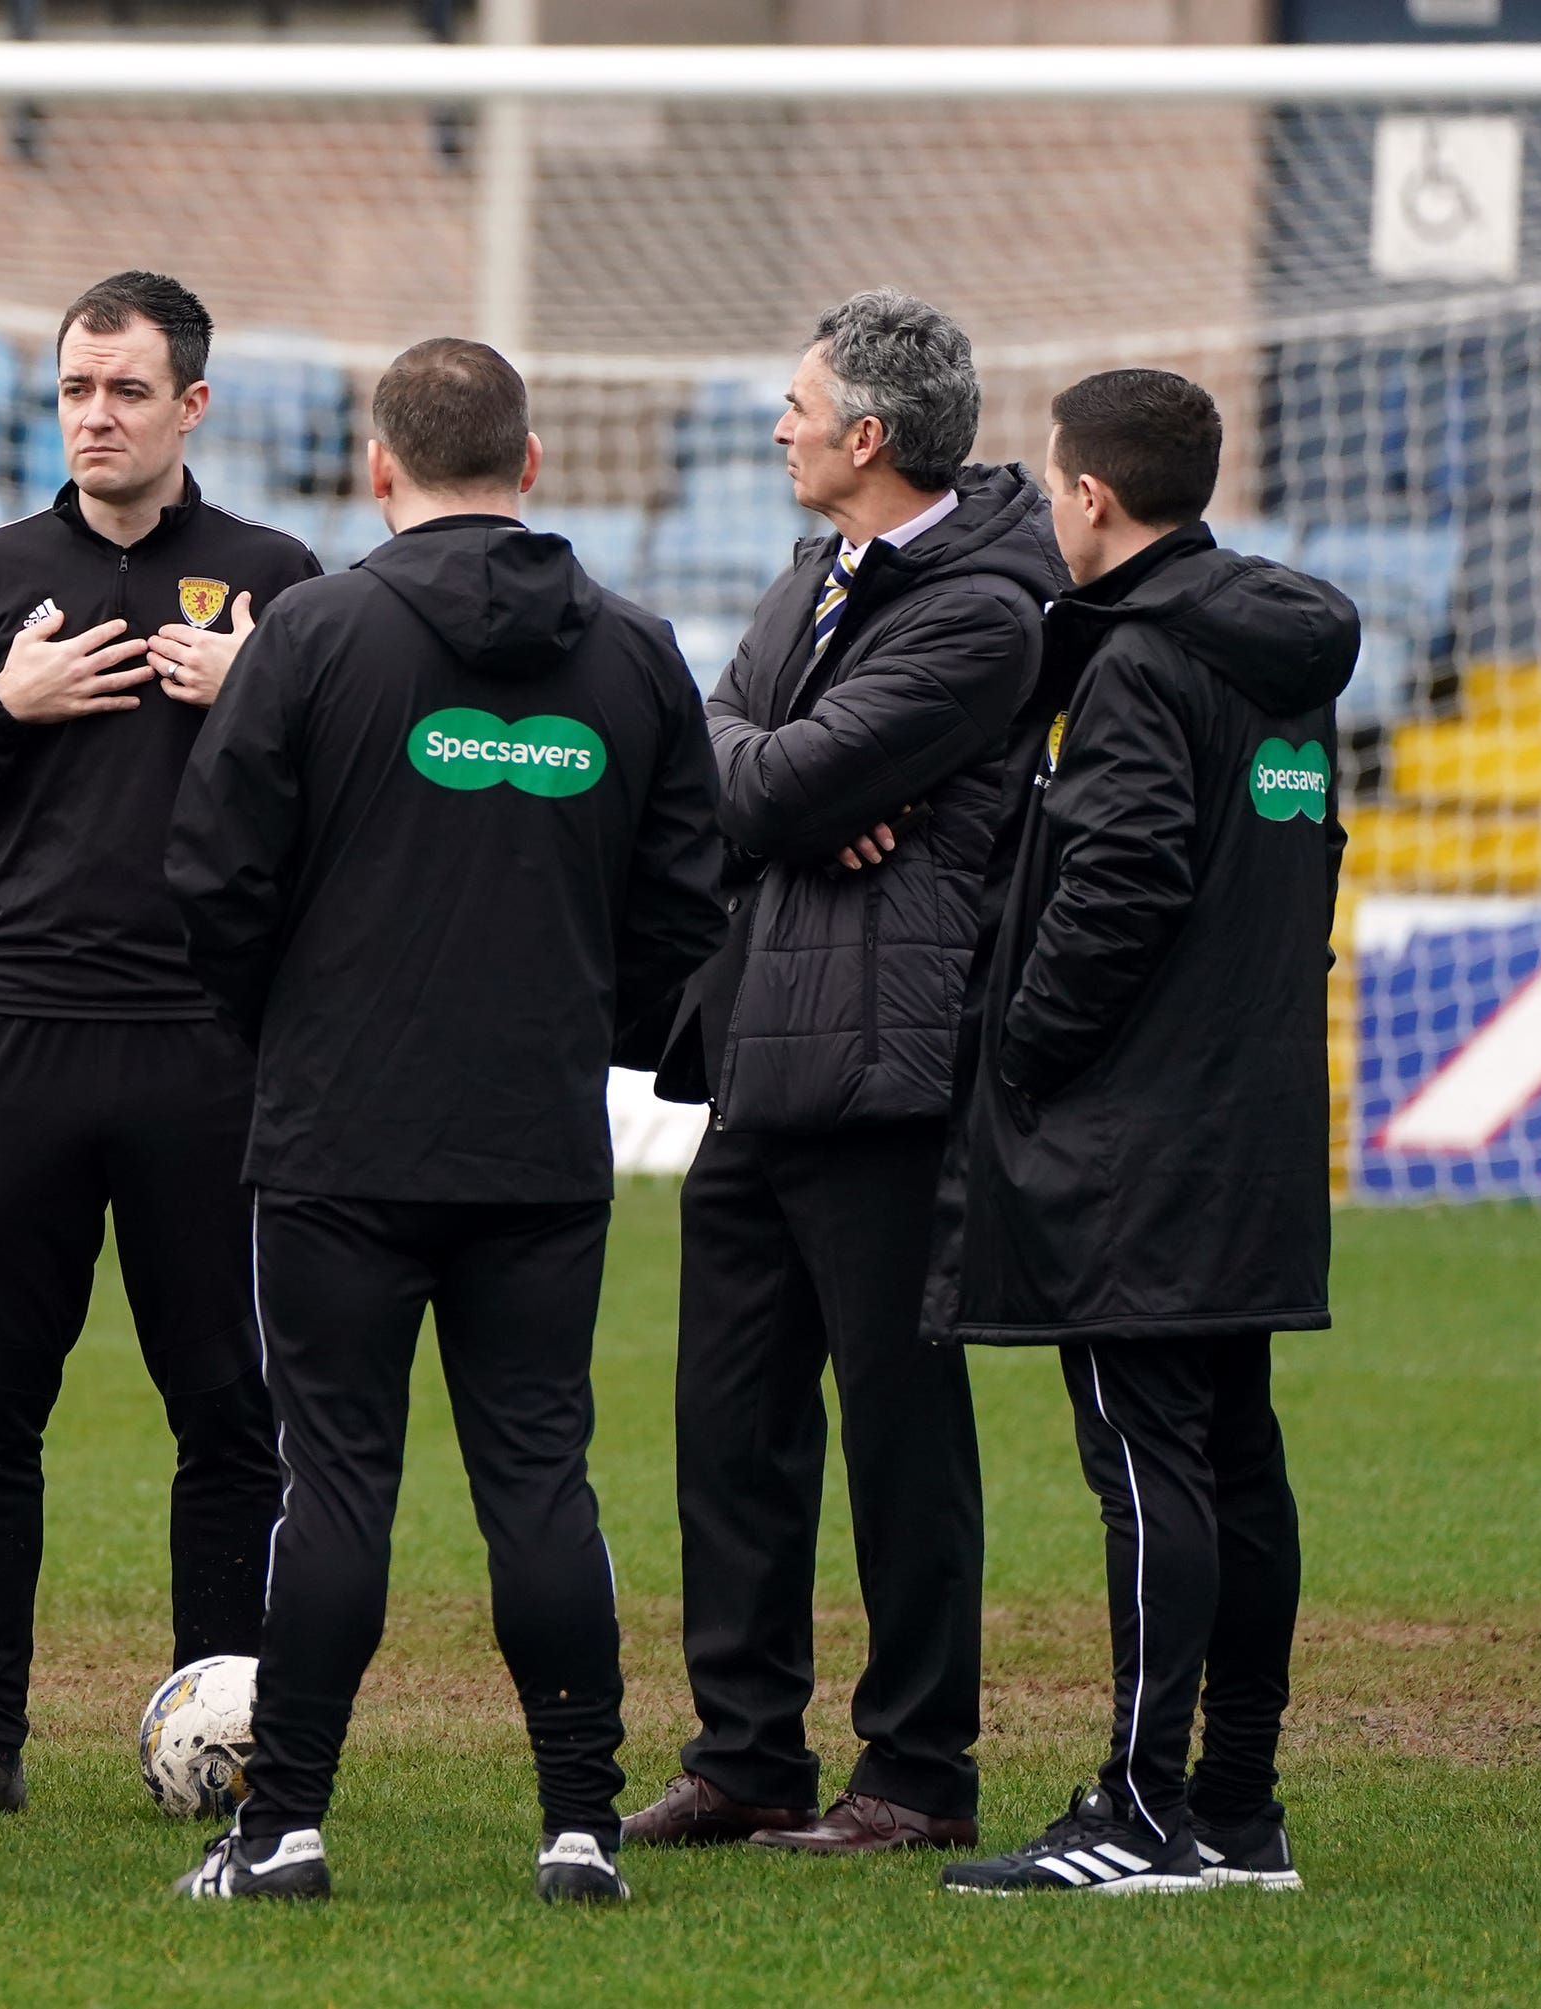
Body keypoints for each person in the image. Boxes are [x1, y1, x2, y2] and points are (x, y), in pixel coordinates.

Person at [166, 337, 722, 1904]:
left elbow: (212, 883)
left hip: (340, 1138)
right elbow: (686, 908)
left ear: (376, 466)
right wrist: (579, 1037)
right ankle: (580, 1828)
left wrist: (293, 1030)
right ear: (531, 465)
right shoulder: (636, 651)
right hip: (537, 1141)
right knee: (541, 1478)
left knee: (334, 1482)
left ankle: (282, 1829)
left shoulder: (315, 637)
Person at [0, 271, 318, 1819]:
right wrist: (8, 700)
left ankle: (233, 1737)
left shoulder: (274, 576)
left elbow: (346, 799)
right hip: (21, 1038)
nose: (96, 416)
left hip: (206, 1047)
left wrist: (258, 696)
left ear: (193, 404)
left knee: (226, 1409)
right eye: (75, 388)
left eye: (126, 390)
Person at [627, 289, 1062, 1860]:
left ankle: (919, 1771)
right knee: (729, 1423)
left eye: (799, 405)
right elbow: (719, 751)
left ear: (868, 437)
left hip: (891, 1063)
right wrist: (781, 780)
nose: (778, 425)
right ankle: (745, 1753)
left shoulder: (983, 610)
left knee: (900, 1436)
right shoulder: (825, 569)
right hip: (762, 1044)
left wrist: (783, 779)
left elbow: (768, 766)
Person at [938, 370, 1353, 1898]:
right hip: (1251, 1121)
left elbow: (1119, 883)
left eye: (1054, 488)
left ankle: (1136, 1806)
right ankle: (1238, 1808)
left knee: (1148, 1466)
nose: (1052, 511)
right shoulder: (1289, 661)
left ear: (1093, 499)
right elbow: (1306, 864)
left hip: (1135, 1136)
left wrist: (1027, 1051)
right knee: (1237, 1458)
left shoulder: (1132, 665)